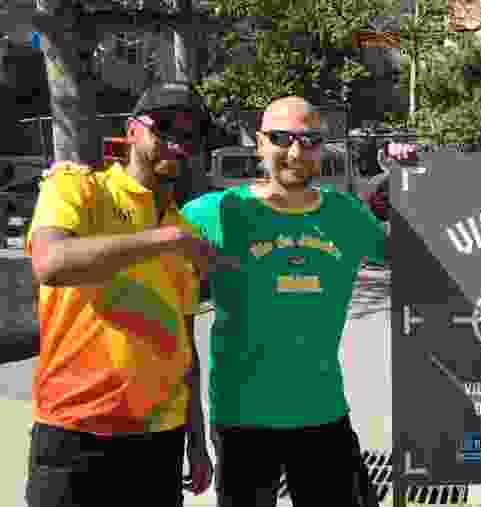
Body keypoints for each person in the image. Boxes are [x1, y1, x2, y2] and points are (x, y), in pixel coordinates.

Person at [180, 96, 413, 507]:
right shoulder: (211, 213)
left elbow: (411, 252)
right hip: (241, 420)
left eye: (309, 141)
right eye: (281, 138)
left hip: (323, 412)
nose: (295, 152)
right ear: (259, 143)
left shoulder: (345, 215)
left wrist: (411, 179)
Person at [24, 81, 222, 506]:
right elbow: (51, 264)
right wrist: (165, 240)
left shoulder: (185, 232)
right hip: (74, 432)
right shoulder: (78, 189)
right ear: (132, 131)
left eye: (192, 134)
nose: (178, 141)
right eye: (164, 126)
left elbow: (184, 344)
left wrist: (196, 438)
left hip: (159, 442)